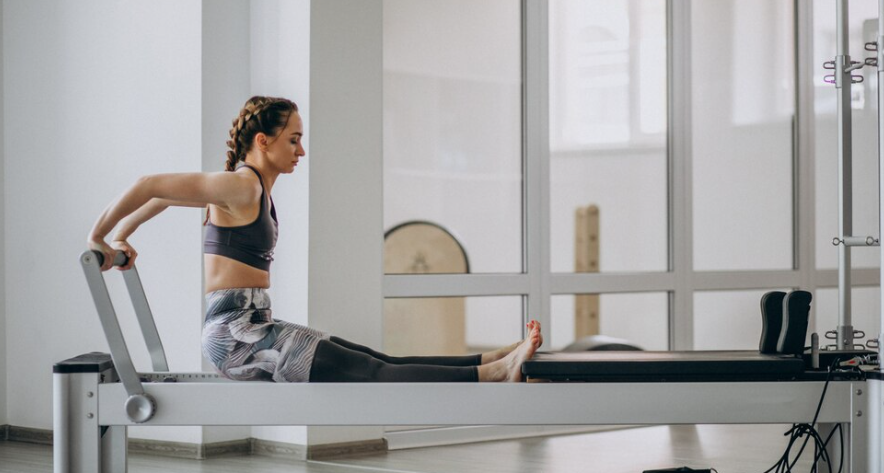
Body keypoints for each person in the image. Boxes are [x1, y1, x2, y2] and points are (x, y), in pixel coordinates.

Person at [87, 96, 542, 383]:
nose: (301, 151)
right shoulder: (241, 186)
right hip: (238, 336)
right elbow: (150, 184)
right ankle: (496, 373)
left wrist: (122, 240)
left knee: (371, 357)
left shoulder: (246, 189)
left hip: (252, 325)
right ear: (263, 141)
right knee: (373, 373)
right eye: (293, 140)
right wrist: (100, 237)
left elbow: (162, 200)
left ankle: (487, 359)